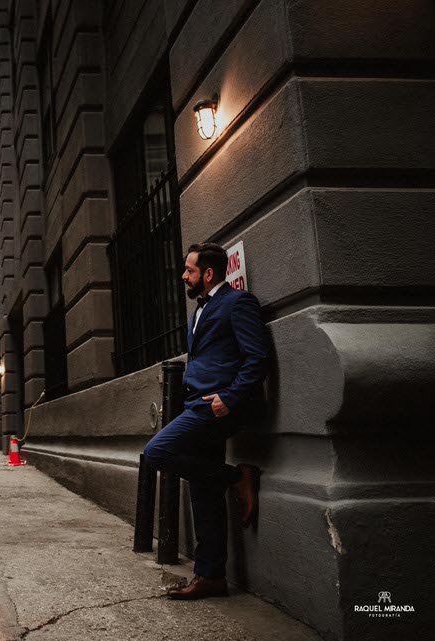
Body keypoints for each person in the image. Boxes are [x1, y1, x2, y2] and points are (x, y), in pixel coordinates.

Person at [143, 242, 267, 599]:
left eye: (190, 270)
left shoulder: (238, 303)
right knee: (202, 491)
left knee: (155, 453)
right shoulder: (197, 312)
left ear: (208, 274)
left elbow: (256, 359)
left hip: (215, 407)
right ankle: (211, 576)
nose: (184, 275)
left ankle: (236, 476)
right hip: (195, 405)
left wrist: (229, 398)